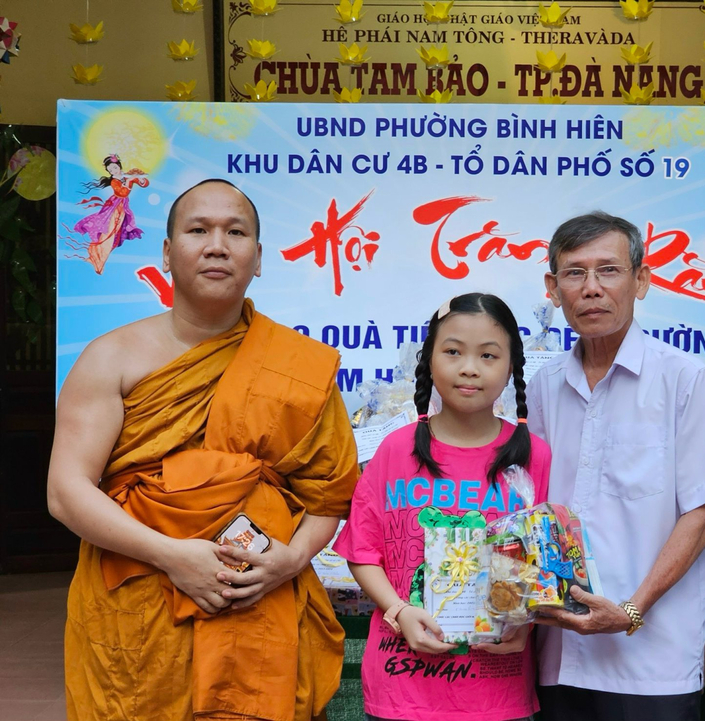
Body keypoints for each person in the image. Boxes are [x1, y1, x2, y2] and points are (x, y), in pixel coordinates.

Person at [48, 179, 359, 721]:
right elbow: (66, 491)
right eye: (198, 230)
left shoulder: (297, 364)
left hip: (258, 598)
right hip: (140, 605)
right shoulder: (111, 358)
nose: (218, 245)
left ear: (258, 258)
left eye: (235, 232)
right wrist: (171, 556)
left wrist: (291, 559)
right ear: (168, 253)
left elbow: (329, 495)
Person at [525, 212, 705, 721]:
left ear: (641, 281)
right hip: (558, 653)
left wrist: (631, 609)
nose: (592, 289)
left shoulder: (684, 379)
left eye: (609, 271)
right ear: (552, 288)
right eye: (575, 273)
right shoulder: (544, 386)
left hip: (652, 658)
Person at [334, 292, 552, 721]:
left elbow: (543, 563)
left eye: (489, 355)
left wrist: (526, 623)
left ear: (511, 368)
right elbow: (362, 553)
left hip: (496, 690)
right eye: (453, 351)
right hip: (403, 688)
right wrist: (398, 611)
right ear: (429, 360)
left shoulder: (533, 456)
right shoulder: (396, 451)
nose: (469, 367)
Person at [71, 153, 149, 274]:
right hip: (114, 207)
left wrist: (141, 178)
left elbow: (144, 183)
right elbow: (122, 193)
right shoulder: (114, 181)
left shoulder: (127, 175)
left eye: (114, 167)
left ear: (119, 165)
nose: (113, 170)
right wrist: (129, 181)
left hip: (122, 208)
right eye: (110, 170)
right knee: (108, 233)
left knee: (115, 234)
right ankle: (98, 260)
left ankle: (98, 259)